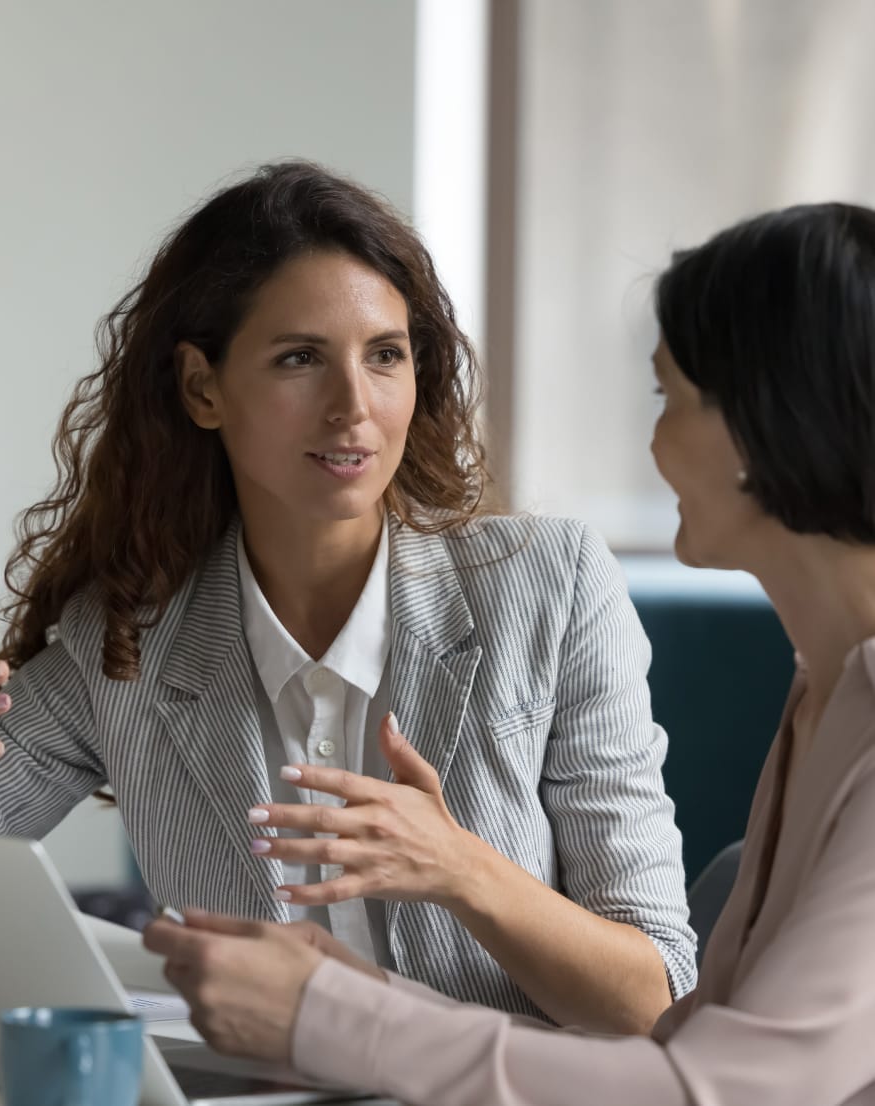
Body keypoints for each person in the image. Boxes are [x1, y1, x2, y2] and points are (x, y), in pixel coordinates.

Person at [0, 161, 694, 1032]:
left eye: (386, 355)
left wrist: (458, 867)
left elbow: (652, 1000)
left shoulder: (551, 586)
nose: (355, 405)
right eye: (301, 358)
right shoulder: (123, 647)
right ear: (202, 388)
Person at [144, 200, 875, 1106]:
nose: (652, 442)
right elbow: (689, 1045)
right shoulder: (824, 695)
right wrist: (366, 1001)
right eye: (300, 357)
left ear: (771, 423)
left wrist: (330, 1017)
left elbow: (722, 1088)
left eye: (669, 399)